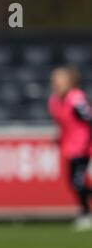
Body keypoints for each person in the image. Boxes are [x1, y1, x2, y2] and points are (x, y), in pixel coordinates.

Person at [48, 66, 92, 231]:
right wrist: (59, 139)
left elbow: (88, 120)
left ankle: (85, 214)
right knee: (73, 183)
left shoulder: (77, 99)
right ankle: (85, 213)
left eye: (59, 79)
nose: (55, 82)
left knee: (78, 182)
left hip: (83, 148)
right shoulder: (54, 101)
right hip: (70, 148)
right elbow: (64, 124)